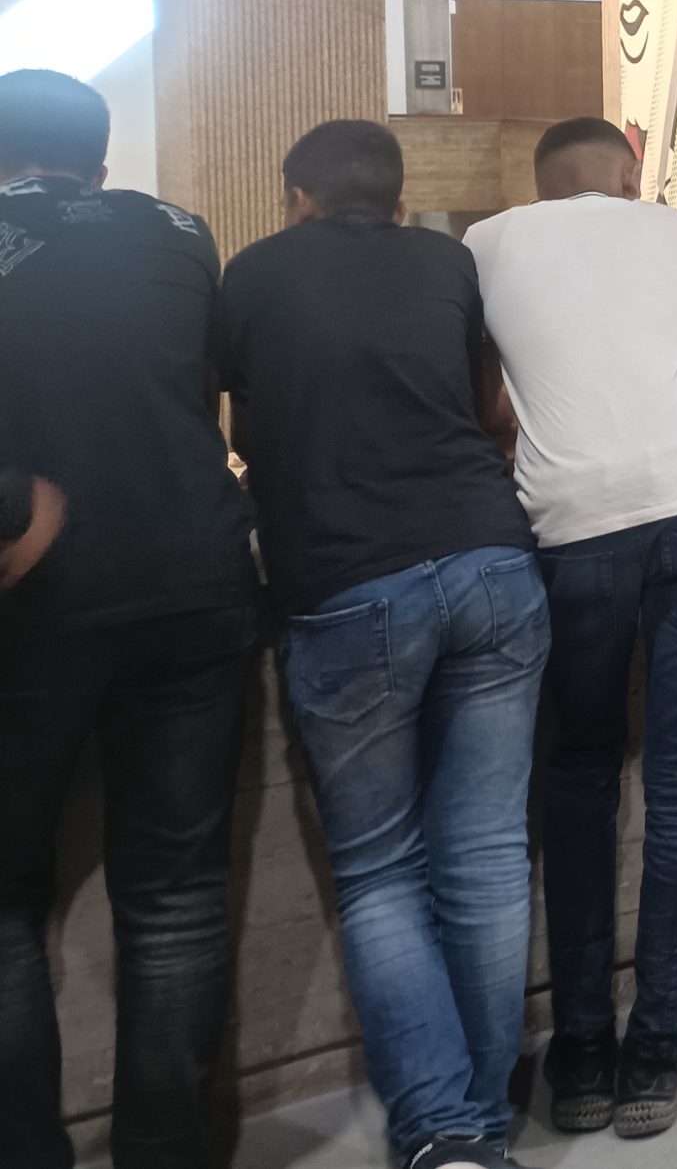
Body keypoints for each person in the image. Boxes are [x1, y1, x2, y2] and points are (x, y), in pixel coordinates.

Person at [220, 121, 546, 1169]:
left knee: (380, 872)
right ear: (400, 201)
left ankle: (444, 1131)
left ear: (297, 198)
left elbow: (241, 429)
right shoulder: (447, 263)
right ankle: (480, 1125)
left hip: (347, 579)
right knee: (487, 856)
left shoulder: (252, 273)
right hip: (492, 561)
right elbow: (488, 407)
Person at [463, 118, 677, 1139]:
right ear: (630, 172)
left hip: (573, 519)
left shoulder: (486, 242)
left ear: (539, 180)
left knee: (580, 775)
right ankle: (656, 1052)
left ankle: (582, 1047)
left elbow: (488, 404)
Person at [0, 70, 259, 1169]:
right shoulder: (181, 231)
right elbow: (201, 392)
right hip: (198, 576)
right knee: (178, 891)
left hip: (39, 592)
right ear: (101, 163)